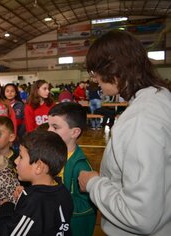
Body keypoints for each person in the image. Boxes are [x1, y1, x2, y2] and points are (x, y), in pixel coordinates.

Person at [78, 30, 171, 235]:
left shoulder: (141, 120)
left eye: (95, 72)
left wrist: (93, 184)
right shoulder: (162, 97)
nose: (96, 80)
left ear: (113, 70)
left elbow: (141, 215)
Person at [0, 130, 73, 236]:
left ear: (38, 167)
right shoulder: (63, 191)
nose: (16, 161)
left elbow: (9, 232)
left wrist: (7, 206)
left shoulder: (33, 201)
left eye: (21, 157)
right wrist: (24, 198)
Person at [48, 102, 96, 236]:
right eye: (49, 125)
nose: (49, 131)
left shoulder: (81, 167)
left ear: (75, 132)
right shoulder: (51, 155)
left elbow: (86, 206)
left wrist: (51, 199)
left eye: (55, 127)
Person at [3, 83, 25, 149]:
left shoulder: (20, 105)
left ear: (16, 93)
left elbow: (20, 121)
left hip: (17, 135)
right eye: (7, 91)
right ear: (4, 93)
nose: (10, 93)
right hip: (4, 134)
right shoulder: (1, 105)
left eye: (12, 91)